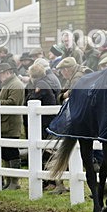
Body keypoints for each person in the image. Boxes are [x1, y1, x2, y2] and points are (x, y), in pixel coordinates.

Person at [26, 62, 64, 193]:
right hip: (46, 122)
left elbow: (30, 99)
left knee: (47, 153)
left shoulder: (40, 85)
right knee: (46, 152)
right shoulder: (43, 83)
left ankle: (51, 182)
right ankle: (49, 181)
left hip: (45, 123)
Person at [0, 62, 26, 190]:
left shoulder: (16, 85)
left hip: (11, 124)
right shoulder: (9, 84)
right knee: (6, 153)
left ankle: (14, 181)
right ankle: (9, 180)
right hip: (6, 123)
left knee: (12, 152)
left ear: (7, 72)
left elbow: (13, 103)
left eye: (0, 74)